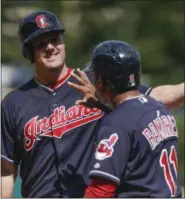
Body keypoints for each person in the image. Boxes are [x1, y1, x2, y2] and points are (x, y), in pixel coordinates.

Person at [1, 10, 184, 198]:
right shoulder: (14, 104)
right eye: (41, 43)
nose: (50, 47)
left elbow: (152, 97)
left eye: (55, 39)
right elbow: (6, 172)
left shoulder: (97, 82)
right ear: (28, 52)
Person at [70, 40, 182, 198]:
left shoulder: (115, 125)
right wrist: (100, 104)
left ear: (101, 82)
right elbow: (132, 122)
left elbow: (100, 191)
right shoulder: (159, 109)